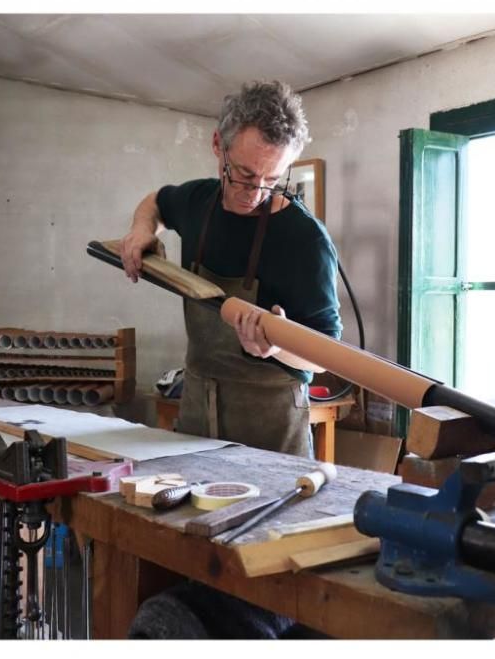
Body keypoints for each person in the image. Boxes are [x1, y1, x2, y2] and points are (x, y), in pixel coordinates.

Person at [120, 80, 341, 458]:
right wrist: (142, 229)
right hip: (196, 410)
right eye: (244, 174)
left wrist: (277, 346)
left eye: (272, 180)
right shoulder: (197, 201)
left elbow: (323, 357)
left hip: (269, 424)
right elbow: (155, 202)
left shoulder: (305, 240)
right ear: (217, 145)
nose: (255, 193)